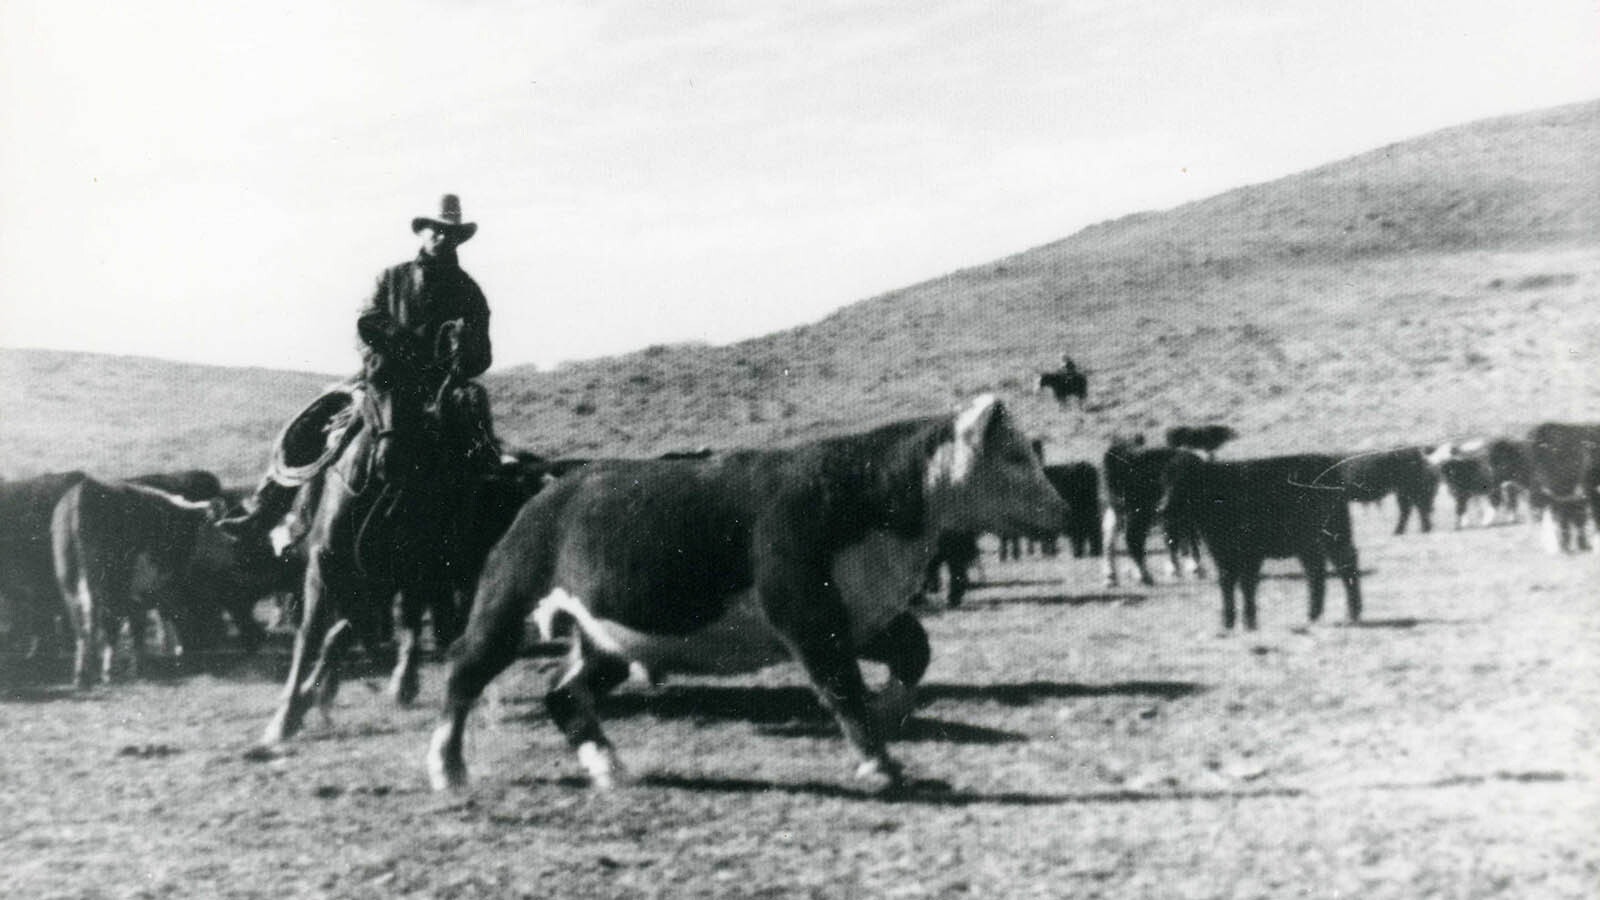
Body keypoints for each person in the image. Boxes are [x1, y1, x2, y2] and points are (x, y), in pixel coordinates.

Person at [220, 194, 497, 539]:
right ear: (422, 232)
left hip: (440, 389)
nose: (443, 238)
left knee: (479, 443)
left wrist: (467, 352)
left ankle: (482, 528)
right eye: (437, 230)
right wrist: (389, 355)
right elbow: (366, 325)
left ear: (458, 239)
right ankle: (264, 508)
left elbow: (482, 356)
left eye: (450, 233)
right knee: (315, 421)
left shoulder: (469, 292)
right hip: (385, 379)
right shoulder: (390, 279)